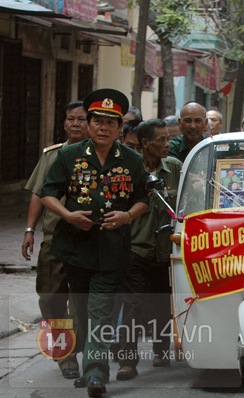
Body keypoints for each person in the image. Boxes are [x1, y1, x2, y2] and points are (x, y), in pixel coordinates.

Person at [40, 88, 149, 398]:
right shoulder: (68, 156)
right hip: (75, 248)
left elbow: (143, 198)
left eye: (111, 123)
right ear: (88, 125)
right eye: (97, 121)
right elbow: (47, 193)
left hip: (113, 249)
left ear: (120, 129)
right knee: (83, 310)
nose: (103, 127)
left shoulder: (131, 160)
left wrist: (127, 216)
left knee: (100, 310)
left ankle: (96, 375)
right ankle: (90, 363)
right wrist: (68, 215)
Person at [21, 101, 89, 380]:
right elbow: (38, 194)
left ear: (90, 123)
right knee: (51, 296)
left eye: (81, 119)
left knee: (81, 299)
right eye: (70, 119)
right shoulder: (51, 156)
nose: (75, 124)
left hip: (86, 237)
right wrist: (29, 230)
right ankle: (65, 353)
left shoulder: (97, 155)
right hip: (54, 236)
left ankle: (76, 345)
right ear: (64, 123)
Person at [116, 119, 183, 380]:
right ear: (145, 144)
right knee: (132, 304)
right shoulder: (129, 169)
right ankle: (128, 361)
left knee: (161, 304)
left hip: (166, 248)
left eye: (168, 139)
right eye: (162, 140)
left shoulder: (175, 168)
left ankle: (161, 349)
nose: (167, 144)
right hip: (135, 247)